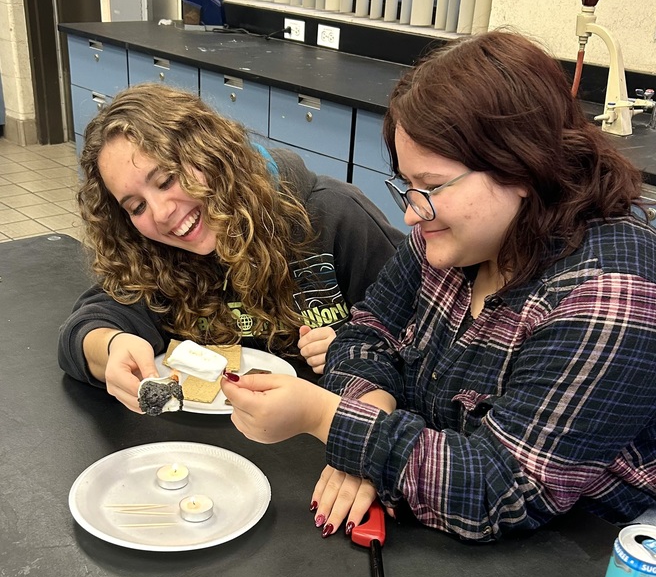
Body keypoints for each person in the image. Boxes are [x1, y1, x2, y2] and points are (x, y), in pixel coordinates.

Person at [221, 29, 656, 575]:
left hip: (614, 549)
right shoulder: (455, 238)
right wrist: (369, 419)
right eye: (408, 185)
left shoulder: (614, 295)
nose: (412, 212)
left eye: (431, 186)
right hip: (467, 510)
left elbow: (498, 490)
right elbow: (366, 334)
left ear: (521, 167)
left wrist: (326, 417)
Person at [58, 83, 403, 409]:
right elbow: (87, 327)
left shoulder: (337, 215)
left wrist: (357, 350)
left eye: (166, 180)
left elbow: (420, 339)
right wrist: (111, 346)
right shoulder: (156, 254)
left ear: (209, 152)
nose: (161, 213)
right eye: (137, 207)